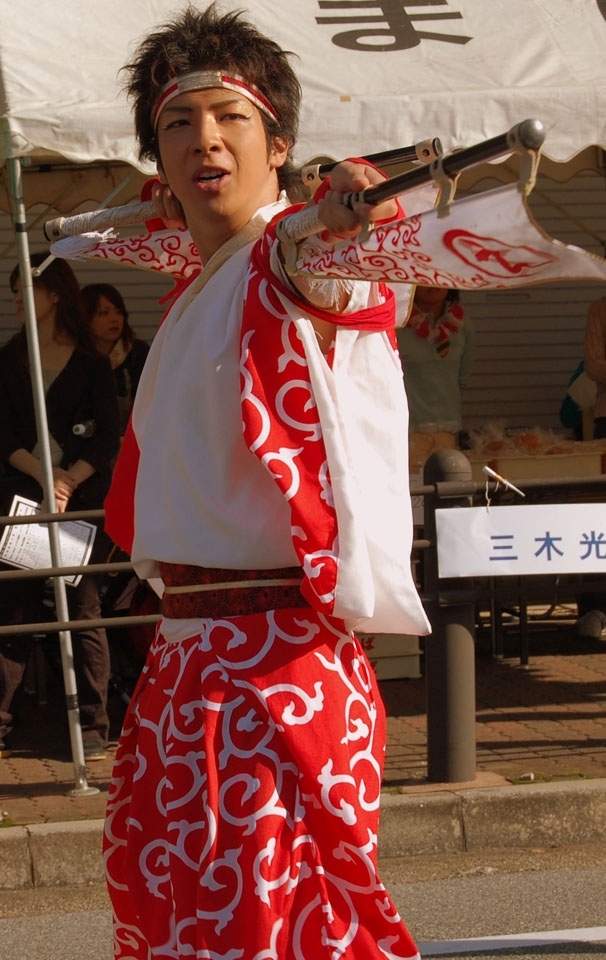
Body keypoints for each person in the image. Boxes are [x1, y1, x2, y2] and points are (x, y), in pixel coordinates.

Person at [92, 6, 429, 958]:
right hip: (187, 657)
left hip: (276, 665)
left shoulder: (288, 257)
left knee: (278, 931)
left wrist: (343, 212)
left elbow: (321, 261)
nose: (205, 140)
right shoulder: (206, 278)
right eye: (178, 124)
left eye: (231, 119)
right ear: (157, 158)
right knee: (175, 922)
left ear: (279, 144)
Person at [0, 253, 120, 760]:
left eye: (25, 292)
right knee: (15, 609)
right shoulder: (8, 358)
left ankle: (94, 722)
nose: (20, 304)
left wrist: (69, 479)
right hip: (22, 498)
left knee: (82, 607)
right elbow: (2, 434)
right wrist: (44, 475)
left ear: (52, 295)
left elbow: (108, 436)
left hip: (79, 503)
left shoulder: (92, 361)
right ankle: (4, 721)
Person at [396, 286, 474, 465]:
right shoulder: (397, 325)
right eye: (425, 278)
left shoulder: (464, 326)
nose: (433, 284)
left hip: (448, 431)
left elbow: (462, 381)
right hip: (407, 432)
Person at [81, 283, 150, 438]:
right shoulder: (78, 355)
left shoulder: (137, 352)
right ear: (85, 317)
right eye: (104, 313)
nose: (114, 319)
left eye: (118, 312)